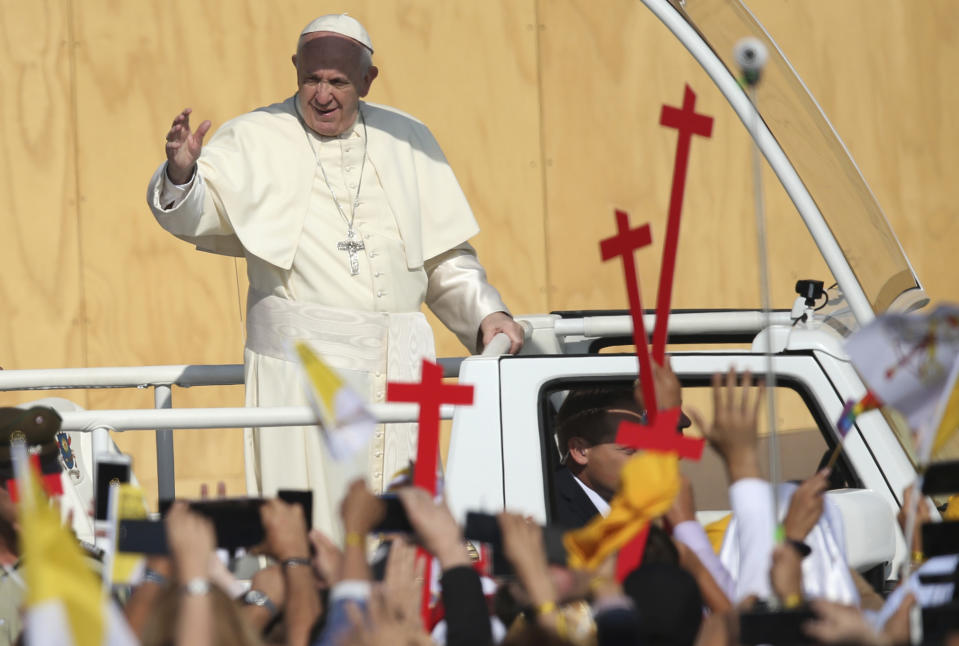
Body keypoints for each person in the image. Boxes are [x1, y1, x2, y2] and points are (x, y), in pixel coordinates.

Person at [146, 13, 525, 538]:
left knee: (403, 537)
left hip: (399, 381)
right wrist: (182, 173)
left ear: (368, 81)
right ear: (296, 70)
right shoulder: (256, 136)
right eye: (312, 79)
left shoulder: (408, 140)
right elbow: (193, 212)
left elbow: (443, 260)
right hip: (301, 381)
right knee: (316, 536)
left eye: (338, 82)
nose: (322, 95)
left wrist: (487, 314)